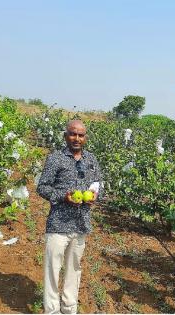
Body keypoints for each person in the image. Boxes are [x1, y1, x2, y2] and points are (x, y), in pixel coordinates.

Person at [37, 120, 102, 314]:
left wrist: (95, 196)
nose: (77, 138)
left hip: (81, 224)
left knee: (74, 268)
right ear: (66, 136)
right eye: (73, 134)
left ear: (85, 138)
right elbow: (42, 187)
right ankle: (51, 310)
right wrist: (63, 196)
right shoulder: (55, 158)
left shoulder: (91, 160)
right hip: (58, 223)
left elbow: (99, 184)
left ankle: (69, 308)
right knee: (52, 268)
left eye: (81, 135)